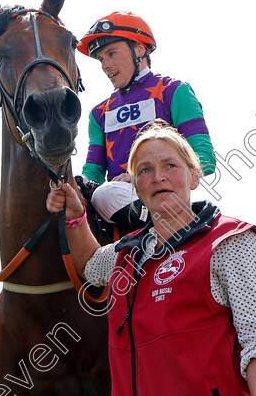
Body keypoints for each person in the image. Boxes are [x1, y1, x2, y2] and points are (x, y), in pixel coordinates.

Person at [47, 121, 256, 396]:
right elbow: (90, 265)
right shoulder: (125, 255)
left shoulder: (231, 243)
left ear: (194, 175)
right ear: (136, 186)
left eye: (169, 165)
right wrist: (76, 216)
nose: (157, 176)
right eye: (145, 170)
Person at [76, 12, 215, 234]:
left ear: (139, 50)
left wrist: (141, 177)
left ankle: (161, 236)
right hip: (116, 202)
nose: (105, 65)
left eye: (111, 54)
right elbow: (93, 171)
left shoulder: (174, 91)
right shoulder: (98, 113)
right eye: (102, 58)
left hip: (163, 196)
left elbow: (205, 159)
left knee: (105, 194)